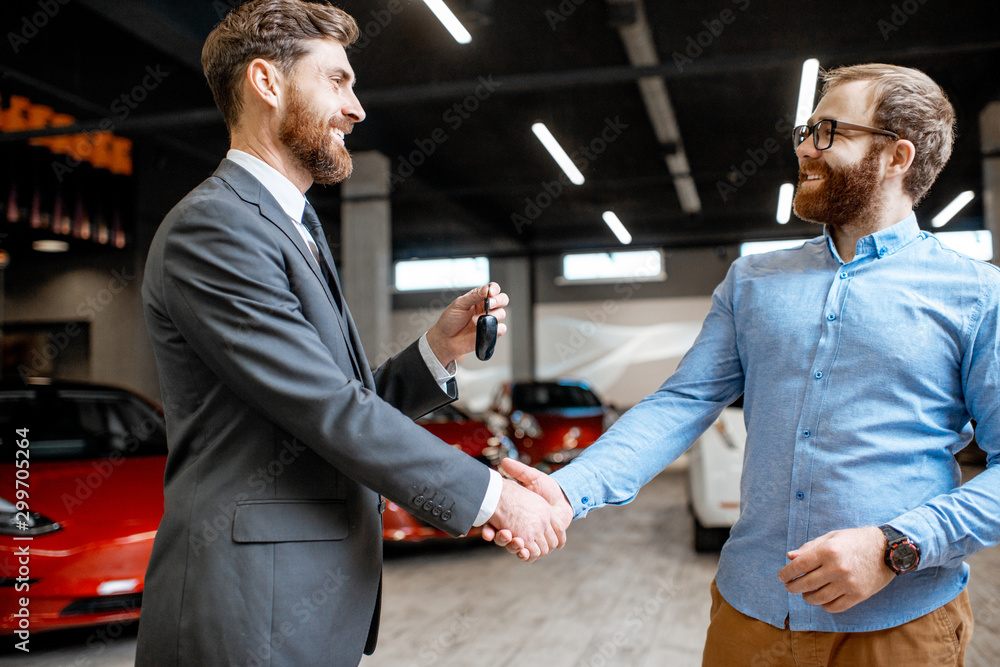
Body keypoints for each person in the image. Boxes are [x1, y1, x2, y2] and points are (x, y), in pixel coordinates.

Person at [490, 63, 999, 665]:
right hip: (753, 614)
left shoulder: (975, 294)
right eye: (806, 130)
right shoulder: (754, 281)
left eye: (830, 131)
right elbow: (682, 403)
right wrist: (566, 492)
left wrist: (896, 547)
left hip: (901, 622)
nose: (806, 148)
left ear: (897, 156)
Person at [137, 2, 562, 665]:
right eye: (337, 80)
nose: (357, 108)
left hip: (300, 604)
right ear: (267, 83)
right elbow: (329, 410)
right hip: (247, 616)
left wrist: (438, 349)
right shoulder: (215, 228)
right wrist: (495, 496)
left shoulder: (293, 226)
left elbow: (326, 402)